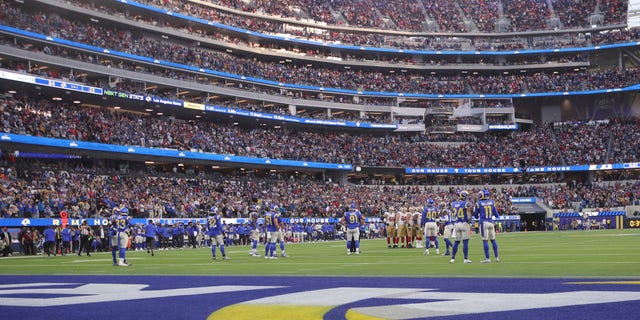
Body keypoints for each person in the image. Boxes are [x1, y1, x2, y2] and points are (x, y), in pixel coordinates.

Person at [474, 189, 500, 263]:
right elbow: (496, 215)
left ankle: (487, 258)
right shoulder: (492, 202)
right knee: (493, 240)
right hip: (491, 222)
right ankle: (496, 257)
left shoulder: (478, 203)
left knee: (485, 241)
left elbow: (475, 216)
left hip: (483, 223)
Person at [450, 190, 472, 264]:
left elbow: (453, 213)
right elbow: (468, 213)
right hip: (464, 223)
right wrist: (470, 222)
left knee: (456, 242)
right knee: (465, 242)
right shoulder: (466, 203)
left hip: (457, 223)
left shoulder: (454, 203)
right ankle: (465, 259)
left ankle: (452, 258)